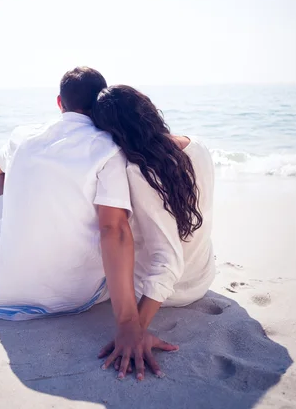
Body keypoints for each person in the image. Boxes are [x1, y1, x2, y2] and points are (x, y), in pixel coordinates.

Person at [0, 67, 176, 381]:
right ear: (99, 105)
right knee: (121, 218)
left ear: (59, 103)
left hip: (6, 291)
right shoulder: (108, 149)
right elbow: (114, 230)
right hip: (76, 297)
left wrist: (1, 220)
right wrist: (127, 324)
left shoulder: (21, 136)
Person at [92, 85, 215, 366]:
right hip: (203, 277)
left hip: (167, 292)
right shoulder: (198, 146)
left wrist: (134, 328)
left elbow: (168, 261)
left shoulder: (138, 171)